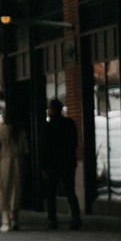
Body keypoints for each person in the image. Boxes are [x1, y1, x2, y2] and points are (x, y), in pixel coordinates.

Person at [39, 98, 82, 230]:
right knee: (70, 191)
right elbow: (74, 143)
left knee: (51, 192)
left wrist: (43, 167)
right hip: (68, 162)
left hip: (52, 164)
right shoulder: (70, 123)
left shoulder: (48, 126)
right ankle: (76, 218)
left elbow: (44, 148)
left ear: (51, 110)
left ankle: (52, 220)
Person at [0, 107, 29, 232]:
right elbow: (26, 149)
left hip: (4, 162)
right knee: (15, 190)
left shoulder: (1, 130)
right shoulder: (20, 131)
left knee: (4, 190)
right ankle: (15, 219)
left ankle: (5, 221)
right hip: (18, 162)